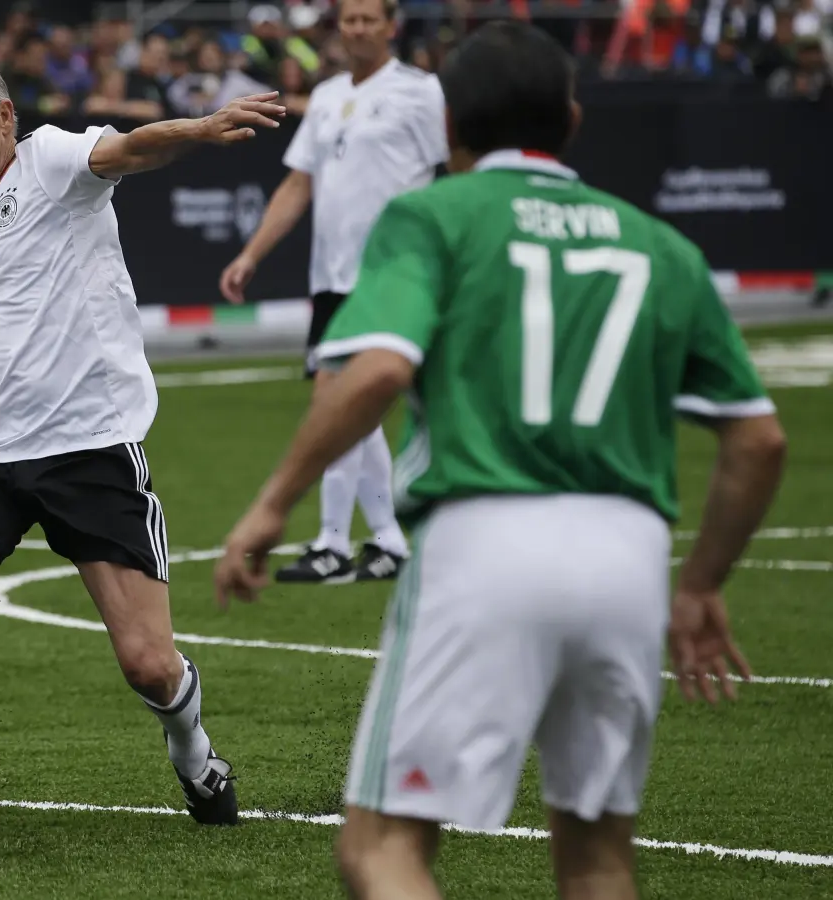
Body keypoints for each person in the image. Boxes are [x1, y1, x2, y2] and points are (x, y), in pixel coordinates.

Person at [214, 21, 785, 899]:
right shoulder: (660, 246)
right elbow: (758, 439)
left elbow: (379, 369)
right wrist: (703, 584)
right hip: (631, 560)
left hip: (483, 542)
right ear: (573, 118)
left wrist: (273, 502)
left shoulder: (432, 216)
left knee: (382, 847)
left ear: (450, 130)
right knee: (597, 858)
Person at [0, 47, 286, 827]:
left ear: (4, 117)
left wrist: (199, 128)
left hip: (91, 448)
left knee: (148, 664)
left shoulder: (52, 163)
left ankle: (194, 755)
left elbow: (128, 148)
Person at [220, 0, 445, 585]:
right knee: (346, 408)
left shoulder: (420, 92)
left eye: (370, 19)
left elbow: (455, 173)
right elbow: (299, 184)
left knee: (341, 400)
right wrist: (251, 254)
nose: (359, 29)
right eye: (350, 19)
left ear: (391, 26)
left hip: (393, 273)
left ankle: (334, 542)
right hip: (333, 276)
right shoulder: (324, 98)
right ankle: (381, 540)